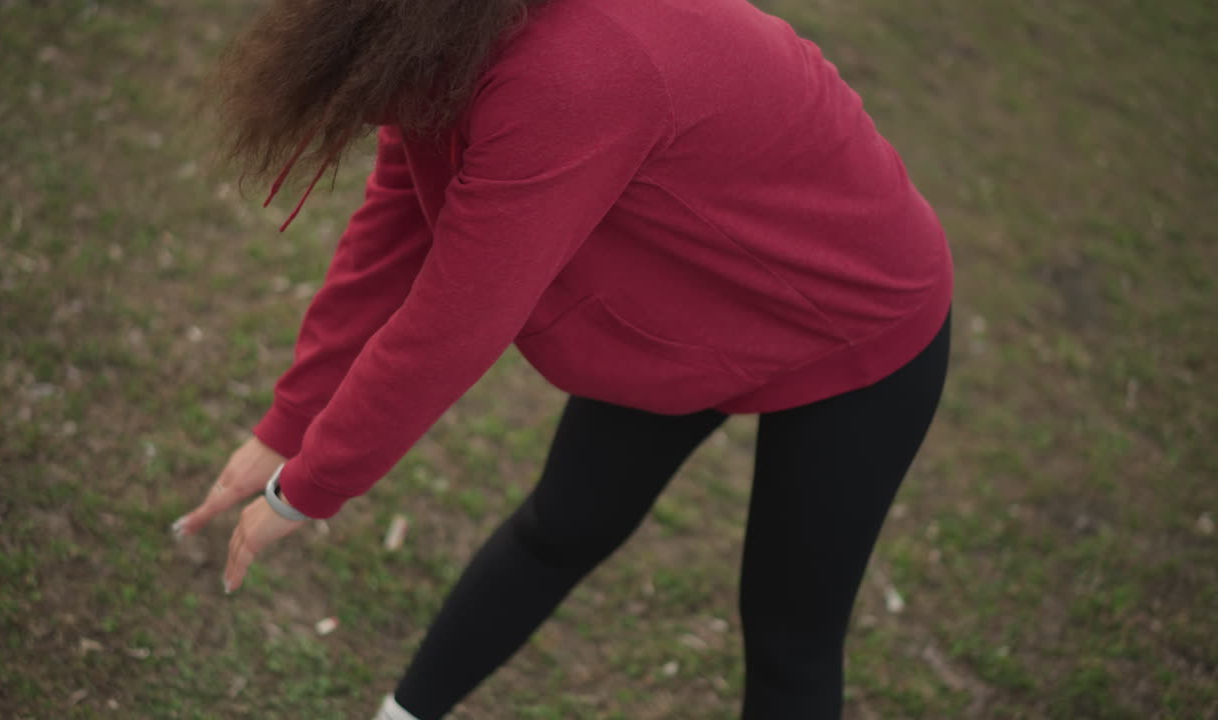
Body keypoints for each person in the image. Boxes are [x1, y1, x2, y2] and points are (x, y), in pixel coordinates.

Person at [171, 0, 954, 716]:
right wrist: (289, 425)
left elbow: (451, 325)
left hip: (855, 316)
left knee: (789, 632)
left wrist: (304, 491)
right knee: (563, 526)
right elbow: (399, 223)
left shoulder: (574, 72)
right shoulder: (449, 33)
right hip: (680, 307)